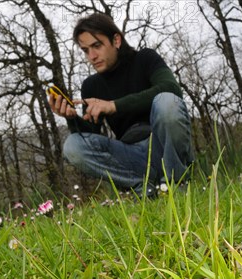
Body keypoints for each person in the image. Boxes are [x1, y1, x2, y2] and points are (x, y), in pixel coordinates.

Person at [49, 13, 194, 198]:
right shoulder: (91, 86)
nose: (92, 56)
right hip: (131, 157)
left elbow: (171, 89)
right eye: (86, 50)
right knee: (72, 146)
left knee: (167, 101)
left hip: (164, 148)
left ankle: (176, 184)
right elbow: (90, 138)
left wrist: (114, 106)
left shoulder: (145, 58)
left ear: (116, 40)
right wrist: (71, 119)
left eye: (97, 46)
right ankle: (143, 189)